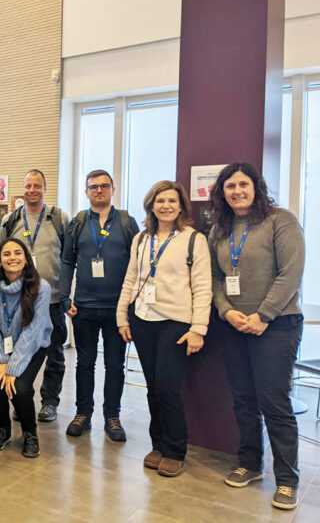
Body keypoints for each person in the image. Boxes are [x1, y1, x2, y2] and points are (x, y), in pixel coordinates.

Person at [208, 163, 305, 511]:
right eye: (230, 186)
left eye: (243, 184)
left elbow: (291, 273)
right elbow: (216, 278)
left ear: (256, 187)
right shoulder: (219, 229)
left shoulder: (280, 220)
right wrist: (226, 311)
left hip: (277, 326)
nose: (237, 191)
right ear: (222, 192)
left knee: (274, 402)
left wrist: (263, 316)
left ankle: (287, 479)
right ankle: (250, 463)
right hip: (235, 325)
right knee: (243, 399)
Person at [116, 180, 211, 478]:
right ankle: (157, 444)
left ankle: (174, 450)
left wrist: (199, 328)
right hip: (142, 319)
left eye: (172, 201)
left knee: (169, 388)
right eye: (160, 201)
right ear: (151, 206)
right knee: (153, 388)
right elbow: (130, 279)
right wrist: (122, 317)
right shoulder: (141, 239)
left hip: (176, 322)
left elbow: (203, 286)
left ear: (181, 206)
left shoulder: (194, 240)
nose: (166, 206)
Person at [61, 169, 139, 439]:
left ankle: (112, 416)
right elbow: (67, 261)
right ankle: (83, 413)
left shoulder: (127, 222)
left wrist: (131, 304)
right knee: (84, 363)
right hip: (83, 307)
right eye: (93, 186)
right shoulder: (79, 222)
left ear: (112, 189)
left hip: (117, 309)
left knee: (115, 365)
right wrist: (65, 297)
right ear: (86, 191)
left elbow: (137, 265)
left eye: (104, 186)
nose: (99, 190)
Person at [1, 169, 69, 423]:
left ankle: (50, 401)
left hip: (52, 300)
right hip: (20, 299)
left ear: (44, 188)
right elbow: (2, 254)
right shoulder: (11, 219)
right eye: (28, 185)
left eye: (37, 186)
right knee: (19, 351)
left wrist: (67, 293)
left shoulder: (59, 218)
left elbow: (68, 257)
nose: (32, 190)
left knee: (55, 353)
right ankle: (21, 399)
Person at [0, 238, 53, 458]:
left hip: (32, 345)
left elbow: (34, 331)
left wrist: (12, 366)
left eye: (18, 253)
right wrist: (1, 359)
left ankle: (30, 434)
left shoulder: (41, 287)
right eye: (7, 254)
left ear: (26, 258)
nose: (12, 258)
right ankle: (2, 429)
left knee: (19, 388)